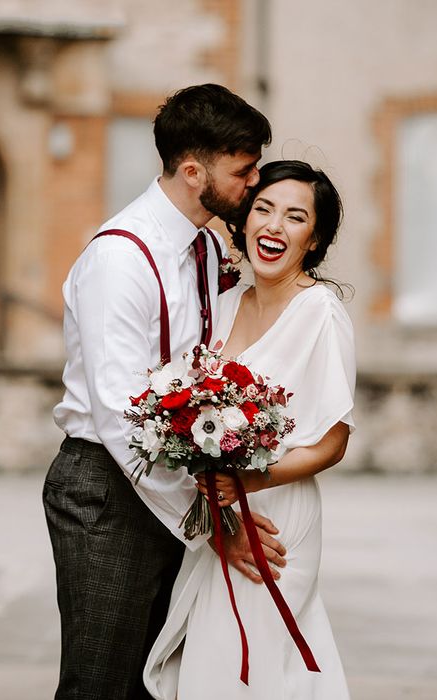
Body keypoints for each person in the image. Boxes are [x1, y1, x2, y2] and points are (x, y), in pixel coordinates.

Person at [43, 84, 286, 700]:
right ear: (191, 170)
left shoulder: (206, 246)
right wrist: (209, 521)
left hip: (175, 479)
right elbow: (123, 418)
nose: (254, 183)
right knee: (100, 685)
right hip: (106, 490)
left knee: (162, 683)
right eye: (243, 170)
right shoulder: (119, 260)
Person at [143, 160, 356, 699]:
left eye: (294, 217)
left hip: (277, 514)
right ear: (244, 220)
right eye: (263, 209)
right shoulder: (227, 300)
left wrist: (252, 482)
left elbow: (333, 439)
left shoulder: (320, 313)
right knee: (216, 655)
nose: (274, 226)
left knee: (250, 656)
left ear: (314, 239)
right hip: (219, 511)